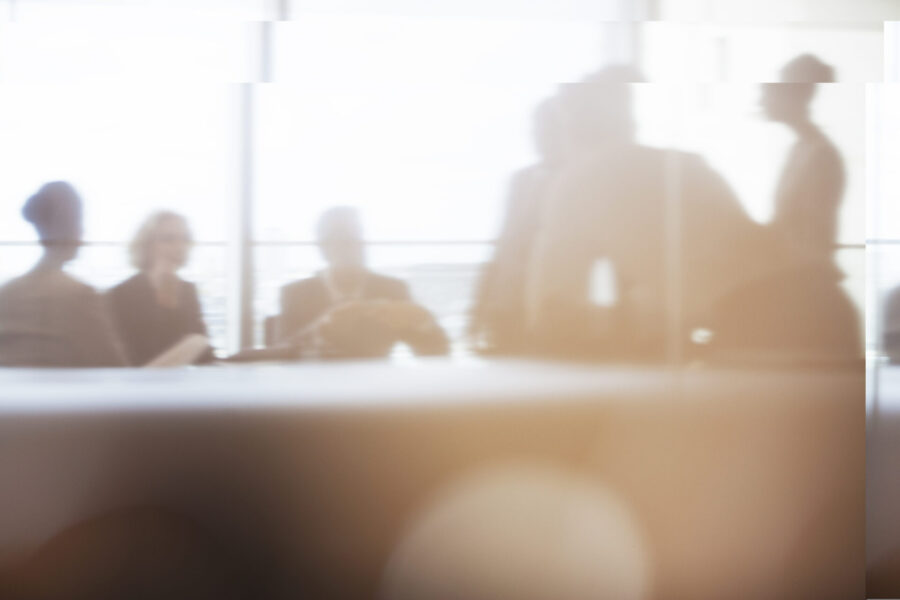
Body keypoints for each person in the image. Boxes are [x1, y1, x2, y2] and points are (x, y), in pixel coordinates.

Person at [525, 65, 859, 362]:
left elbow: (550, 316)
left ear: (569, 125)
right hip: (827, 311)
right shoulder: (687, 165)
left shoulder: (575, 184)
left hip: (766, 330)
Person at [275, 206, 448, 358]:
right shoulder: (296, 293)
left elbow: (438, 352)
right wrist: (321, 329)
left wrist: (422, 322)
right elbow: (279, 354)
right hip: (313, 389)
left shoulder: (392, 289)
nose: (351, 245)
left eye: (356, 236)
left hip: (378, 389)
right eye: (341, 238)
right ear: (322, 247)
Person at [469, 95, 568, 354]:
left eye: (548, 129)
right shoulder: (522, 180)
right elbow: (502, 246)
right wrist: (479, 309)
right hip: (507, 308)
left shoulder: (582, 181)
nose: (539, 137)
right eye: (536, 129)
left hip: (553, 311)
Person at [0, 182, 127, 367]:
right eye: (79, 222)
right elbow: (115, 369)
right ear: (71, 226)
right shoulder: (78, 295)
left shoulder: (7, 292)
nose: (83, 232)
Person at [761, 54, 844, 271]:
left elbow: (813, 237)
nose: (763, 96)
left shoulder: (820, 155)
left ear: (795, 96)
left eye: (773, 88)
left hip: (806, 281)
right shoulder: (799, 149)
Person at [107, 211, 214, 366]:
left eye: (184, 239)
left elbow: (204, 355)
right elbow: (132, 357)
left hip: (183, 384)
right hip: (137, 385)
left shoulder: (188, 290)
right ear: (147, 244)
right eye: (168, 239)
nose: (179, 247)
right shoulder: (121, 294)